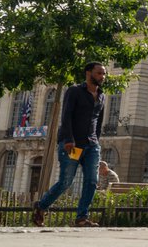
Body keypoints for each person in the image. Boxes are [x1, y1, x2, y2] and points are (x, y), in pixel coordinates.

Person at [32, 62, 106, 227]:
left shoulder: (102, 95)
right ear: (88, 73)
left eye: (104, 74)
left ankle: (81, 217)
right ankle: (41, 206)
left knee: (92, 181)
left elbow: (98, 122)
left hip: (92, 145)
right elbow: (66, 116)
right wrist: (67, 139)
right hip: (73, 145)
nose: (103, 77)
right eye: (99, 73)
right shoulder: (74, 92)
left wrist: (97, 140)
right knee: (66, 181)